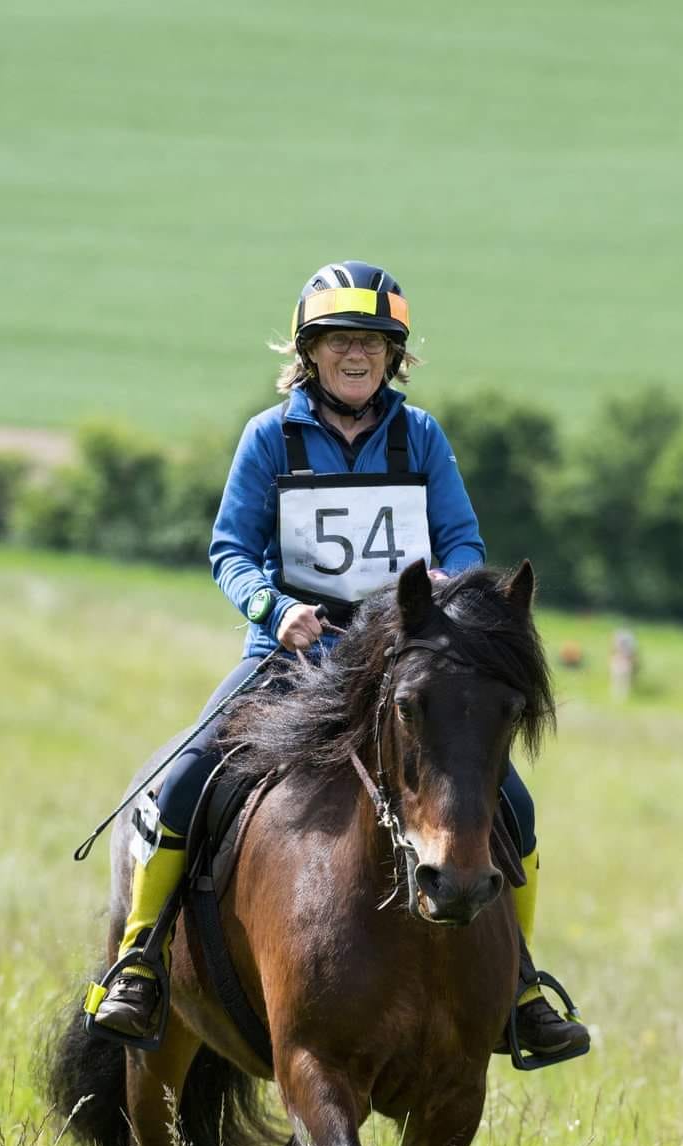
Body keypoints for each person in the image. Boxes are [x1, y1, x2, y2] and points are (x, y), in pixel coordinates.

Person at [89, 260, 588, 1063]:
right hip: (291, 655)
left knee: (511, 806)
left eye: (371, 343)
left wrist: (447, 584)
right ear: (309, 352)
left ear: (393, 358)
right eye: (337, 342)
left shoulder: (419, 436)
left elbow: (461, 538)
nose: (355, 356)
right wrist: (276, 611)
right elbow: (230, 550)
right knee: (184, 776)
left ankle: (520, 988)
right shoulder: (269, 436)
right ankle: (139, 959)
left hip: (401, 661)